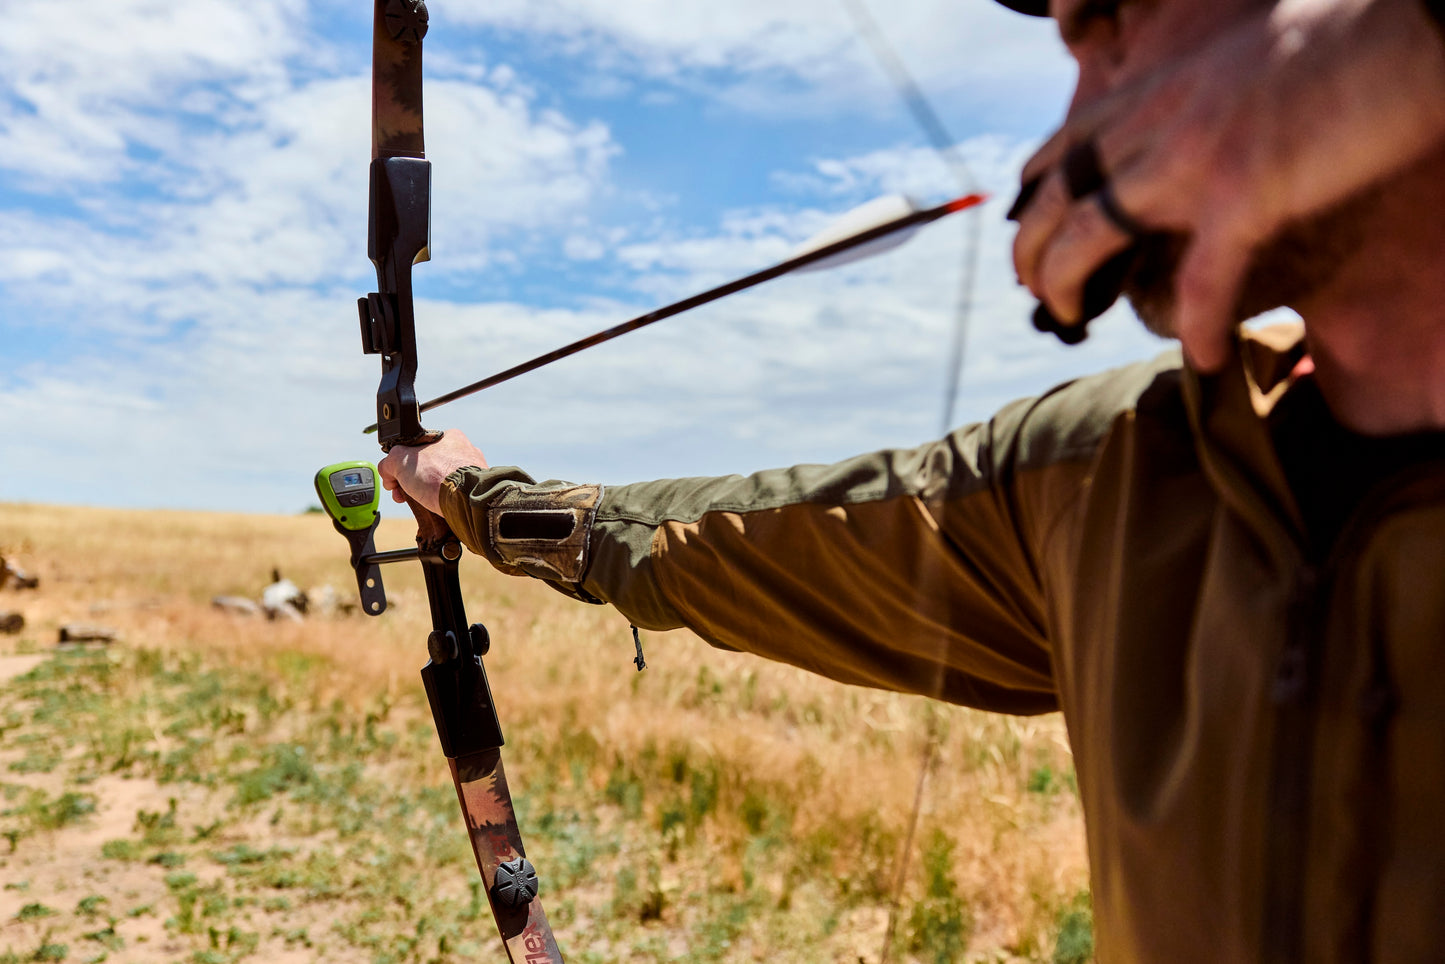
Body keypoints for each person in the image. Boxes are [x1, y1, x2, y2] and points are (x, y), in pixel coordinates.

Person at [380, 0, 1445, 959]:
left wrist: (1397, 51)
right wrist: (474, 495)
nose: (1070, 123)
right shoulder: (1111, 469)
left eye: (1111, 21)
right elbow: (727, 545)